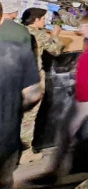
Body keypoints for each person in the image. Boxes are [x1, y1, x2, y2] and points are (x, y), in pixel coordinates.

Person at [36, 13, 88, 183]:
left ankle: (56, 172)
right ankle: (56, 172)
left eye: (84, 26)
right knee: (76, 134)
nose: (81, 29)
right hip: (85, 97)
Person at [0, 0, 42, 189]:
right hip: (4, 135)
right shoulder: (18, 48)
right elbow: (35, 93)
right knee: (2, 186)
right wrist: (17, 109)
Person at [20, 8, 64, 148]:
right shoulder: (39, 35)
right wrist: (55, 35)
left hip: (15, 78)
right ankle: (25, 149)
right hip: (33, 79)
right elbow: (56, 51)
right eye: (43, 19)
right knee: (29, 117)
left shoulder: (18, 31)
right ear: (36, 20)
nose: (45, 21)